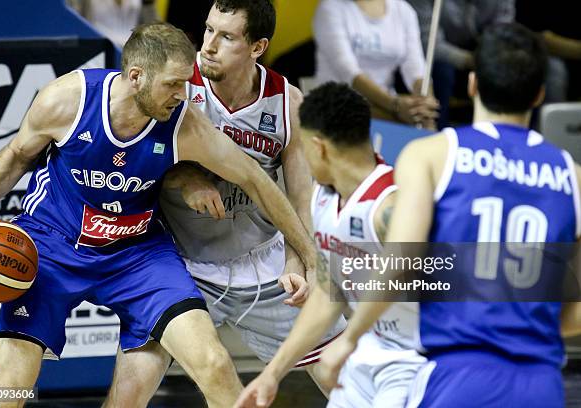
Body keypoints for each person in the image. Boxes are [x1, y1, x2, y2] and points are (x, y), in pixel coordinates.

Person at [0, 22, 317, 408]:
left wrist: (309, 255)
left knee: (215, 363)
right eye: (172, 84)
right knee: (8, 389)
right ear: (136, 77)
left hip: (137, 254)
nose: (182, 94)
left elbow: (257, 180)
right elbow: (17, 155)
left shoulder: (184, 124)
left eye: (186, 82)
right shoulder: (67, 99)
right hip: (52, 245)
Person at [316, 23, 581, 407]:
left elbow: (402, 258)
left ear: (472, 84)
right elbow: (573, 314)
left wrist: (352, 336)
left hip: (459, 376)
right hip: (540, 384)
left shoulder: (434, 155)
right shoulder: (572, 177)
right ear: (540, 94)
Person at [111, 0, 346, 397]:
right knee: (129, 389)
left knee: (349, 381)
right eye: (207, 30)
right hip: (181, 266)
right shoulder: (178, 86)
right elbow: (138, 160)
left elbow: (301, 197)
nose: (208, 45)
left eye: (227, 36)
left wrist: (296, 260)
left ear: (257, 47)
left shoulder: (287, 104)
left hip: (263, 264)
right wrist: (185, 178)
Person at [233, 82, 424, 408]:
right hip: (371, 348)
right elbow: (326, 290)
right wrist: (273, 373)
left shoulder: (391, 206)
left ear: (318, 147)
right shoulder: (323, 197)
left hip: (419, 358)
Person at [313, 0, 439, 128]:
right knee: (407, 120)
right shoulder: (330, 8)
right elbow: (349, 72)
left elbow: (415, 66)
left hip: (385, 102)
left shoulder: (403, 10)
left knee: (423, 118)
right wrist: (395, 105)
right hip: (337, 103)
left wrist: (425, 101)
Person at [407, 0, 515, 128]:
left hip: (482, 60)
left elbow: (501, 38)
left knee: (514, 67)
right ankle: (439, 137)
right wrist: (471, 60)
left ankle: (507, 135)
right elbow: (429, 44)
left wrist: (486, 60)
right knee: (442, 71)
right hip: (444, 62)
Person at [67, 0, 160, 47]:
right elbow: (74, 22)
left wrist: (149, 5)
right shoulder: (87, 2)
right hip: (100, 48)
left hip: (134, 50)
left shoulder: (141, 2)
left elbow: (154, 29)